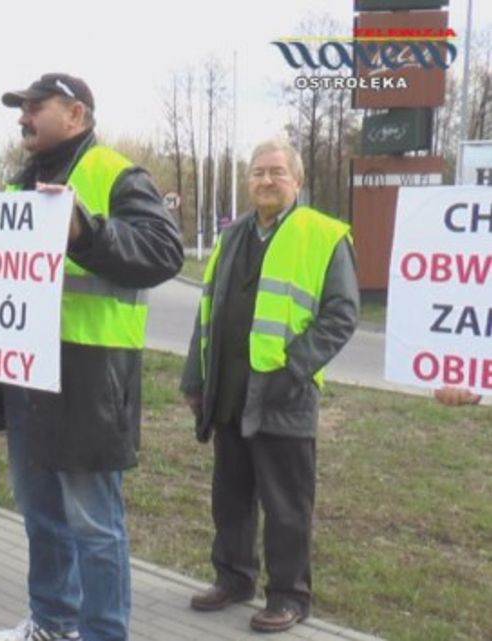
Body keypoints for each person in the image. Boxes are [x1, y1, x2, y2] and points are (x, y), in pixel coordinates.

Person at [0, 73, 184, 641]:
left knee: (94, 525)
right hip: (28, 378)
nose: (23, 117)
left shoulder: (116, 174)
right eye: (20, 109)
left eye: (34, 106)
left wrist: (84, 232)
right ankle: (52, 621)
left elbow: (162, 251)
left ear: (75, 114)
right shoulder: (17, 187)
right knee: (41, 513)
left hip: (89, 379)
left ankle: (103, 634)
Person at [180, 139, 359, 633]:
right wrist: (195, 380)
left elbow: (342, 316)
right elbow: (207, 312)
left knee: (286, 504)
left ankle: (288, 596)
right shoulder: (233, 235)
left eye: (277, 172)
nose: (266, 180)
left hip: (285, 395)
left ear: (297, 180)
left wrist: (292, 369)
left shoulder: (324, 235)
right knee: (231, 496)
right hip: (230, 393)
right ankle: (234, 578)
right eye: (258, 172)